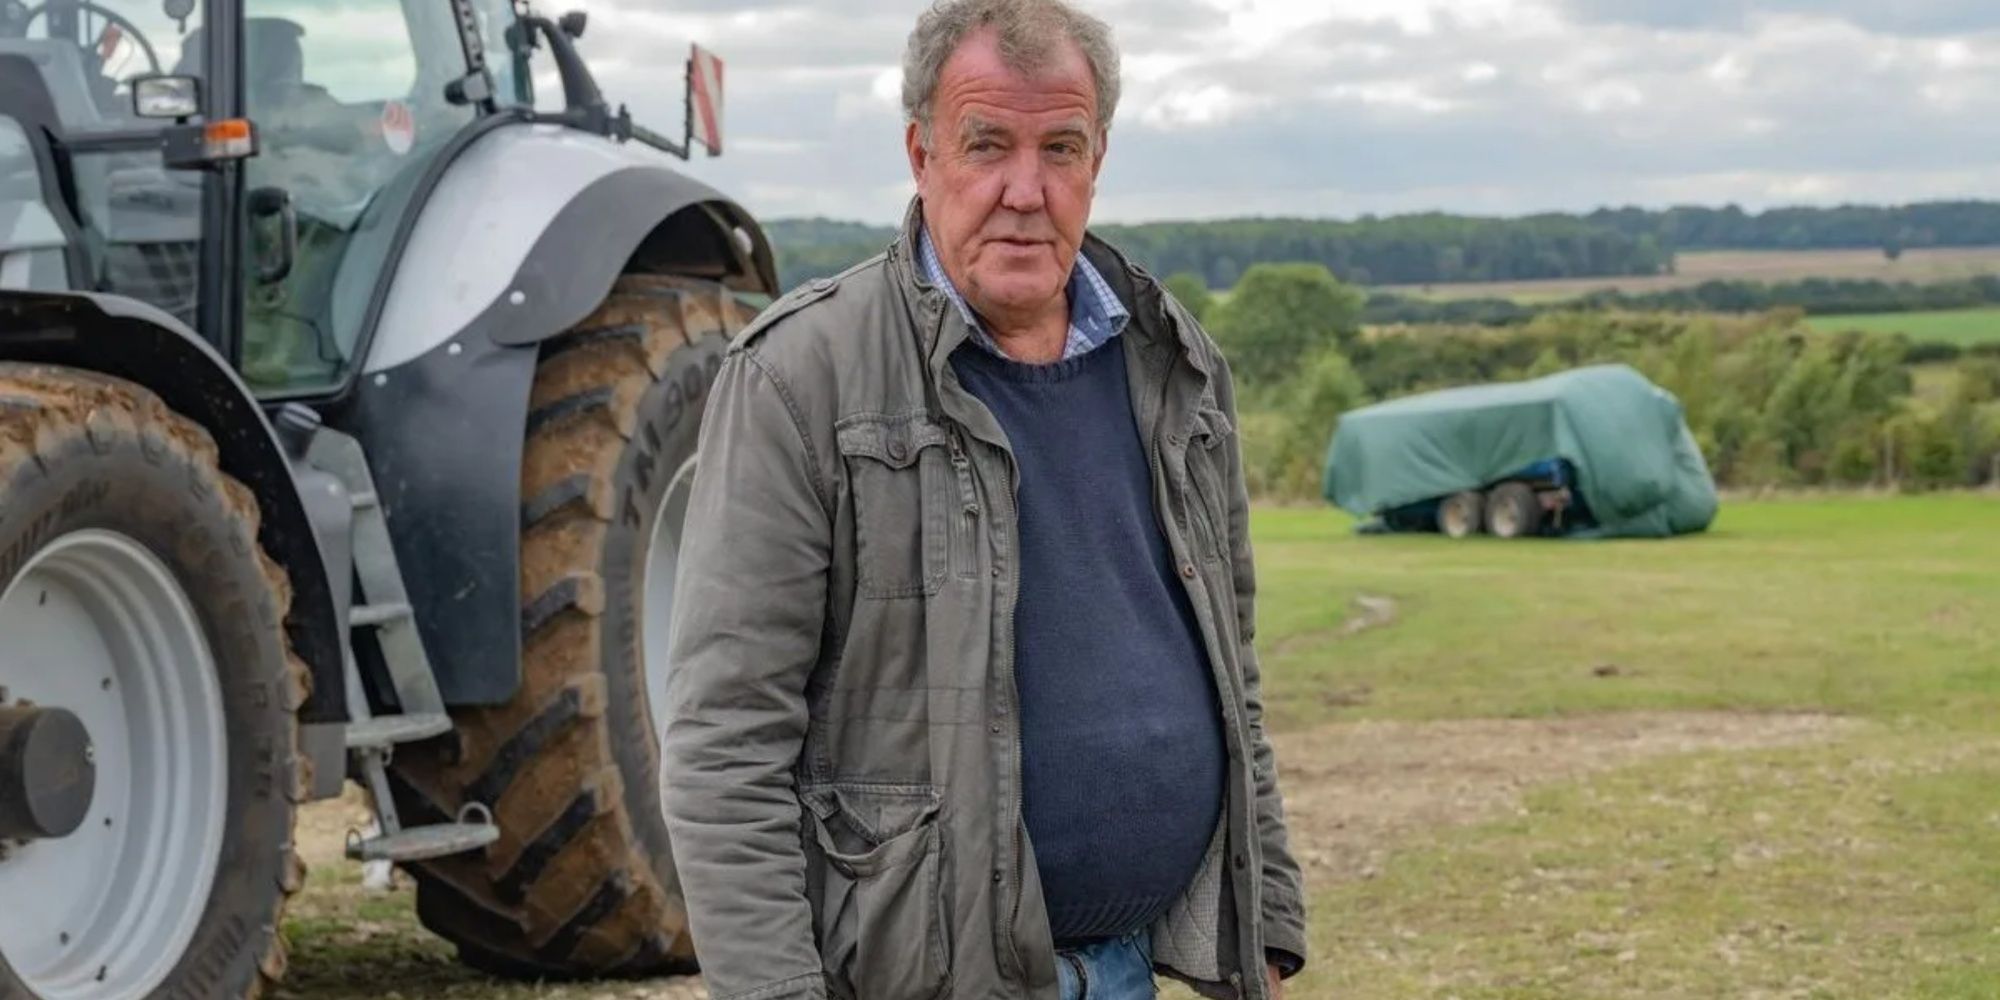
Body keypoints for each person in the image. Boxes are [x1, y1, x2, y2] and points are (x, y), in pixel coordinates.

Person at [659, 1, 1306, 997]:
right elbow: (723, 743)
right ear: (922, 154)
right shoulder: (799, 378)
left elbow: (1232, 666)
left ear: (1097, 158)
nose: (1023, 189)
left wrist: (1264, 905)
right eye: (986, 144)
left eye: (1059, 147)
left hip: (1135, 964)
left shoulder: (1172, 364)